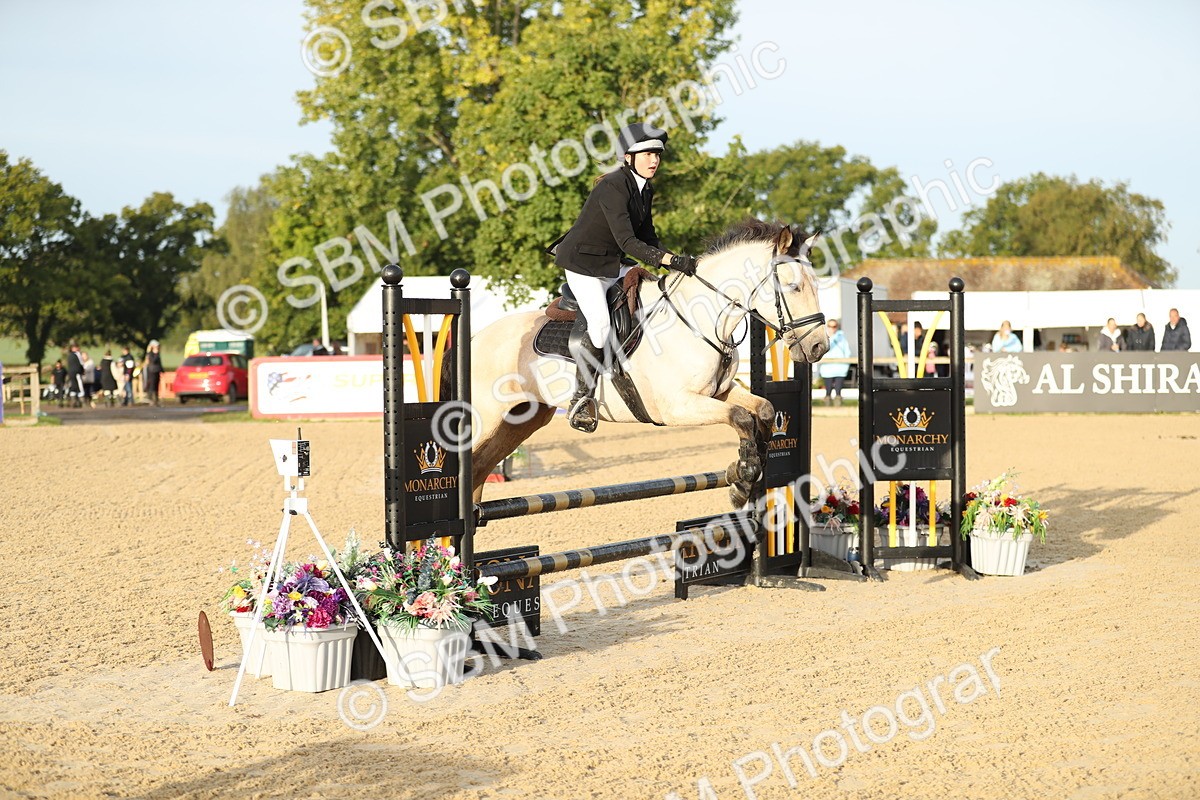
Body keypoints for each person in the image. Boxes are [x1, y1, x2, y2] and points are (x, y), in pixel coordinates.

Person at [551, 122, 697, 432]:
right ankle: (581, 399)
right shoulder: (613, 186)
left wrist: (677, 263)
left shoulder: (645, 189)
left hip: (610, 263)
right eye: (647, 154)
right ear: (628, 157)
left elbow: (649, 237)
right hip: (582, 264)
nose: (654, 160)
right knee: (601, 325)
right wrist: (669, 260)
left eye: (657, 155)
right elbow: (628, 242)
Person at [818, 319, 851, 405]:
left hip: (840, 367)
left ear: (837, 327)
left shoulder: (842, 338)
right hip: (827, 368)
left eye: (834, 326)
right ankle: (827, 406)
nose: (832, 328)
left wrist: (845, 364)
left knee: (838, 391)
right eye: (830, 326)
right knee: (828, 391)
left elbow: (847, 352)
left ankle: (838, 407)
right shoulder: (823, 338)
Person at [143, 340, 163, 406]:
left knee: (156, 385)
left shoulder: (157, 354)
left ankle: (156, 399)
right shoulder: (150, 354)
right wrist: (156, 354)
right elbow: (153, 361)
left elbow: (159, 363)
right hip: (152, 371)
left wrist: (162, 370)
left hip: (157, 371)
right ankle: (152, 399)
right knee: (152, 385)